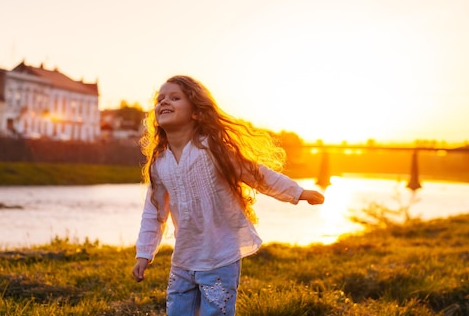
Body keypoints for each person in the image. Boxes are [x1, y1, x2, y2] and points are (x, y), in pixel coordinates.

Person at [132, 75, 325, 316]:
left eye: (175, 97)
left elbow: (256, 174)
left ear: (197, 112)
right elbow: (154, 213)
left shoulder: (213, 149)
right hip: (183, 261)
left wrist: (297, 192)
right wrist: (144, 253)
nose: (164, 102)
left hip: (220, 259)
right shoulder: (160, 163)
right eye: (160, 99)